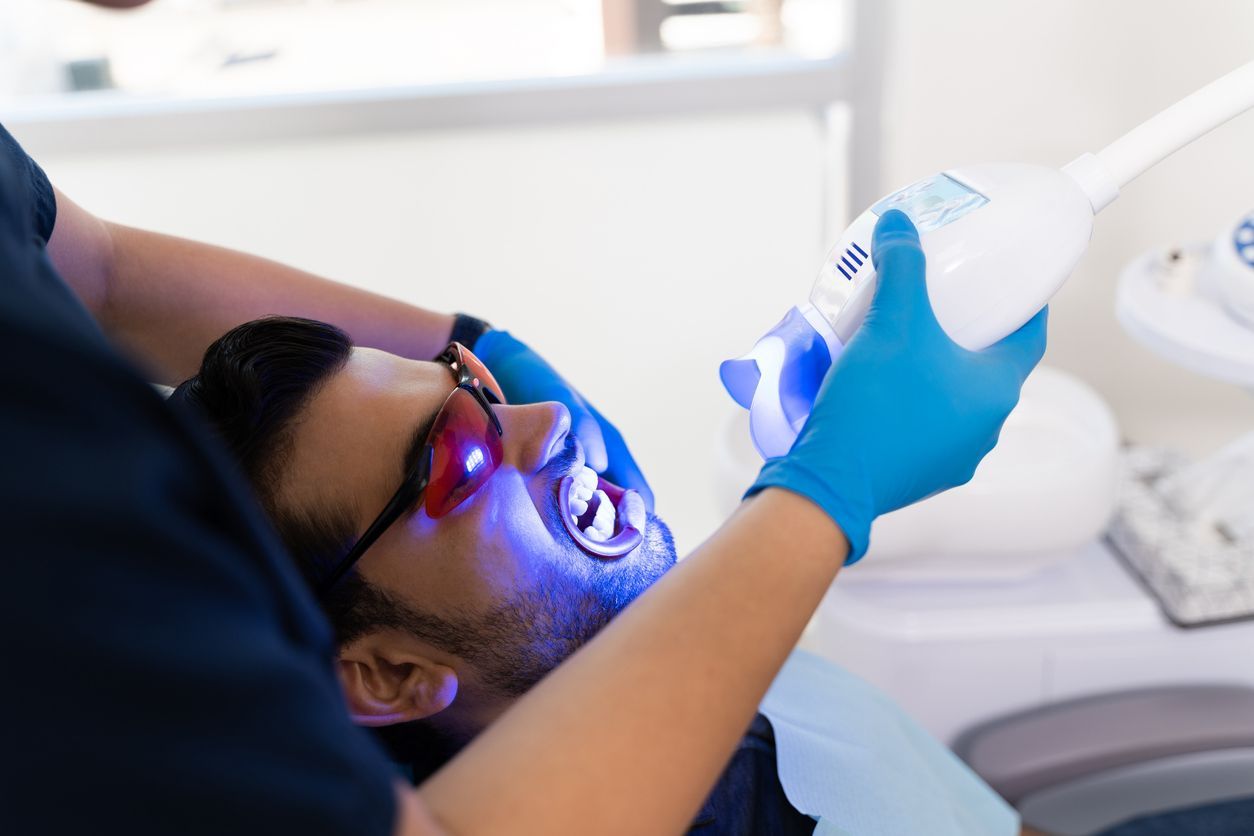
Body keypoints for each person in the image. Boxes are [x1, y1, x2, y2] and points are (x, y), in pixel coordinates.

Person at [1, 37, 1046, 836]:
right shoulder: (71, 589)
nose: (551, 421)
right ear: (390, 674)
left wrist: (477, 346)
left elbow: (93, 270)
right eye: (457, 453)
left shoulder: (704, 654)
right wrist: (829, 488)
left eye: (483, 395)